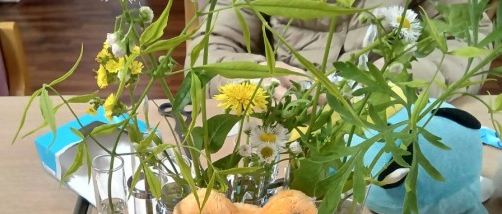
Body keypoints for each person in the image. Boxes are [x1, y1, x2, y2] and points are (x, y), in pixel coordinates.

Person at [186, 0, 494, 98]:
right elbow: (207, 53)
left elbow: (468, 44)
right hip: (278, 123)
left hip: (386, 125)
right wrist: (256, 78)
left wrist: (383, 85)